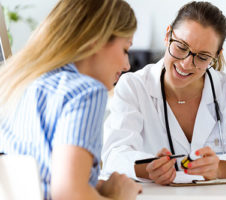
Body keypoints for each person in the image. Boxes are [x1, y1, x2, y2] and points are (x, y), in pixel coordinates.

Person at [101, 1, 226, 185]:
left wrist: (219, 168)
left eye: (202, 57)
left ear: (216, 55)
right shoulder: (134, 87)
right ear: (168, 35)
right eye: (181, 47)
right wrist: (148, 169)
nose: (186, 64)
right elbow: (114, 154)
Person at [0, 0, 142, 199]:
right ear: (96, 39)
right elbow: (69, 194)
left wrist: (96, 186)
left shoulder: (18, 84)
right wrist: (119, 195)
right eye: (125, 50)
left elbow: (44, 179)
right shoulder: (86, 92)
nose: (127, 65)